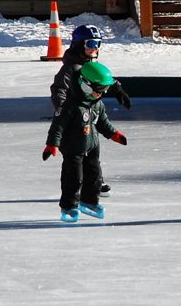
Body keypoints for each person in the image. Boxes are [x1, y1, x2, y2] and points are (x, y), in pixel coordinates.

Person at [48, 24, 131, 197]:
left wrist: (118, 90)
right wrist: (65, 109)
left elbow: (103, 79)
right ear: (79, 45)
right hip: (73, 117)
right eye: (91, 44)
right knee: (76, 156)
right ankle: (74, 190)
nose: (95, 48)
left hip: (90, 114)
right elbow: (58, 90)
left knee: (92, 152)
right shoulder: (70, 68)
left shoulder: (91, 64)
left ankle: (95, 183)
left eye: (98, 44)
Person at [42, 61, 128, 222]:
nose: (102, 93)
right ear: (86, 85)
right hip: (73, 148)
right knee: (74, 178)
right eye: (100, 89)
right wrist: (52, 144)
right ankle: (69, 206)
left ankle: (89, 201)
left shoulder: (97, 104)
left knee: (95, 175)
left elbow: (103, 122)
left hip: (92, 145)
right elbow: (57, 126)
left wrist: (114, 134)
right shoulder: (70, 106)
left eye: (105, 89)